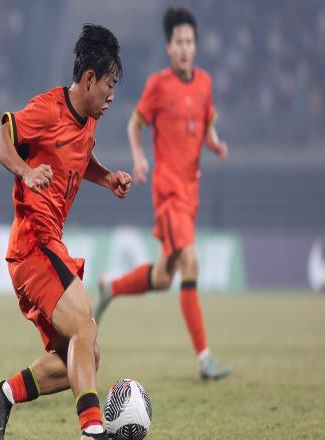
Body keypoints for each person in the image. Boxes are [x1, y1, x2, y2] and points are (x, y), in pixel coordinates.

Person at [0, 24, 131, 440]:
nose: (112, 96)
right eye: (109, 85)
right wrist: (25, 171)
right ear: (89, 79)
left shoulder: (88, 119)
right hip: (33, 244)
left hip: (45, 247)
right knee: (85, 327)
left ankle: (5, 393)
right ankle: (92, 430)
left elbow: (80, 156)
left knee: (85, 356)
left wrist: (107, 177)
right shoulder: (47, 110)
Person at [94, 6, 232, 381]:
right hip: (169, 193)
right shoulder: (158, 85)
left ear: (195, 46)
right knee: (191, 263)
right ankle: (204, 359)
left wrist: (215, 144)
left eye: (189, 42)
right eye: (179, 42)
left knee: (163, 277)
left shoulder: (204, 83)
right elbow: (135, 124)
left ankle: (111, 288)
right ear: (169, 48)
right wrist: (140, 159)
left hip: (191, 193)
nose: (185, 48)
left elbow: (205, 126)